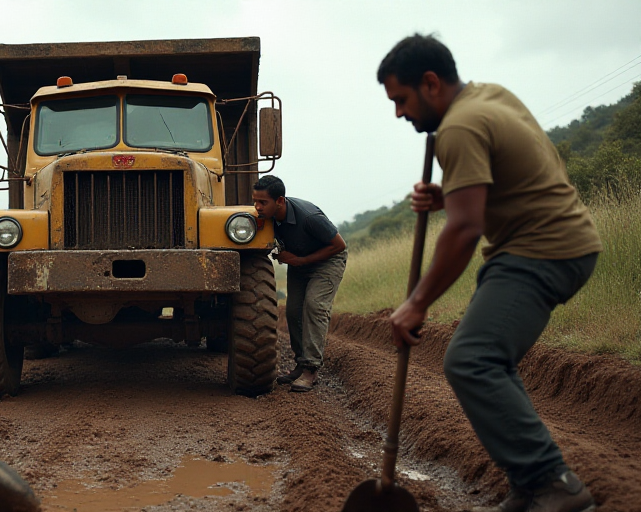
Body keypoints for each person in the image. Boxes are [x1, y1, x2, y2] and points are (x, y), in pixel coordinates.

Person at [379, 34, 602, 512]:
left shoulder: (459, 128)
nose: (399, 113)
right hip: (545, 245)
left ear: (431, 83)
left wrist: (416, 302)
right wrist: (448, 194)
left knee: (472, 360)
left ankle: (552, 482)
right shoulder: (489, 96)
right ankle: (529, 486)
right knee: (487, 360)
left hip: (544, 250)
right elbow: (502, 183)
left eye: (401, 100)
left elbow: (464, 230)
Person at [252, 175, 347, 392]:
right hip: (299, 263)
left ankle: (311, 370)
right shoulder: (264, 216)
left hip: (327, 261)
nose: (257, 207)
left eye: (263, 202)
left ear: (280, 201)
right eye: (255, 201)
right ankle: (300, 364)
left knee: (314, 306)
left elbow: (339, 245)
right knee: (293, 311)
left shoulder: (309, 217)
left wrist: (300, 260)